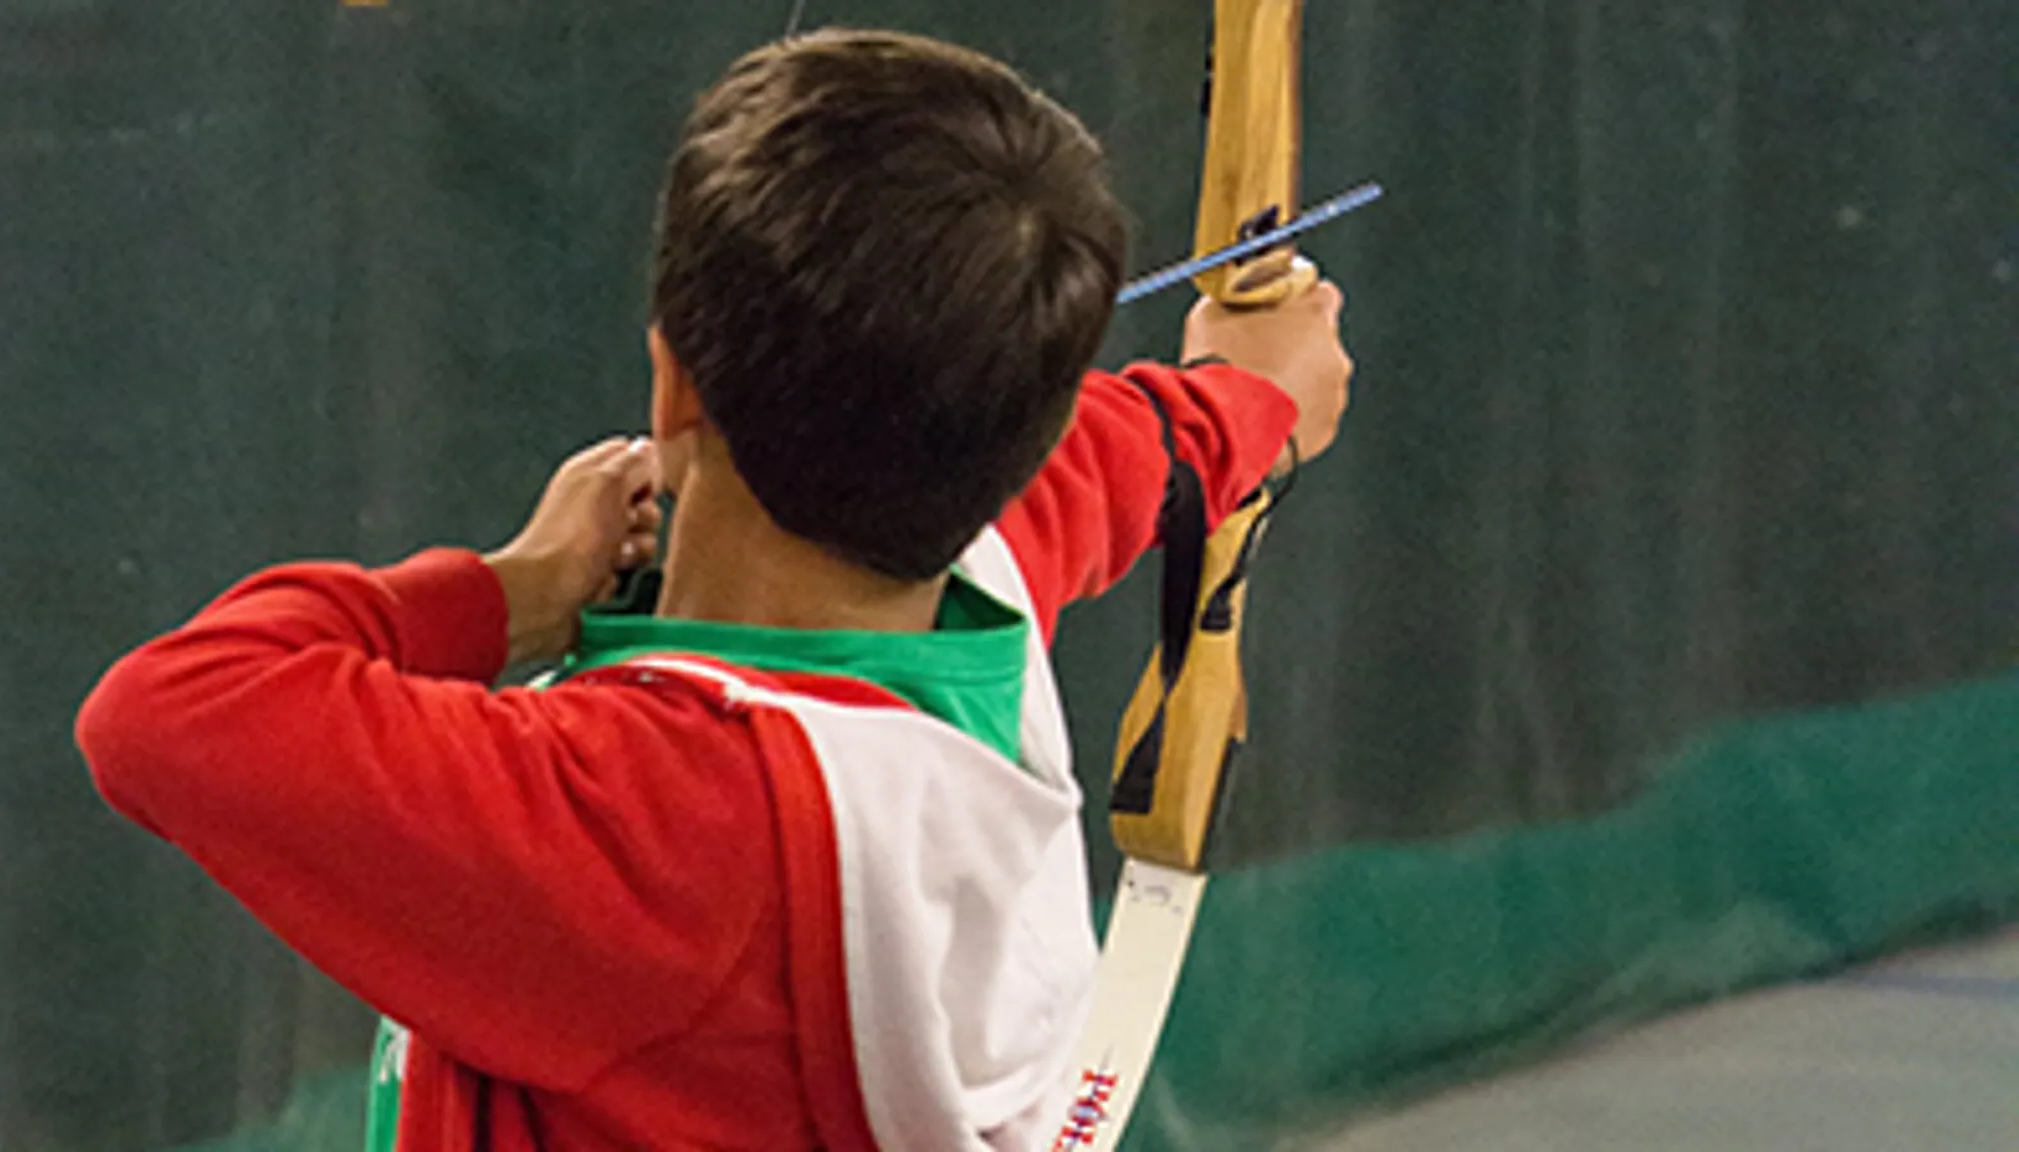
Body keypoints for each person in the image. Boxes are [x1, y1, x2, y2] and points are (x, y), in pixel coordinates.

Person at [75, 28, 1352, 1152]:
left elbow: (167, 716)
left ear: (670, 387)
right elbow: (1132, 452)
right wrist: (1254, 397)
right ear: (1017, 423)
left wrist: (513, 593)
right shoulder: (991, 579)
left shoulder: (644, 814)